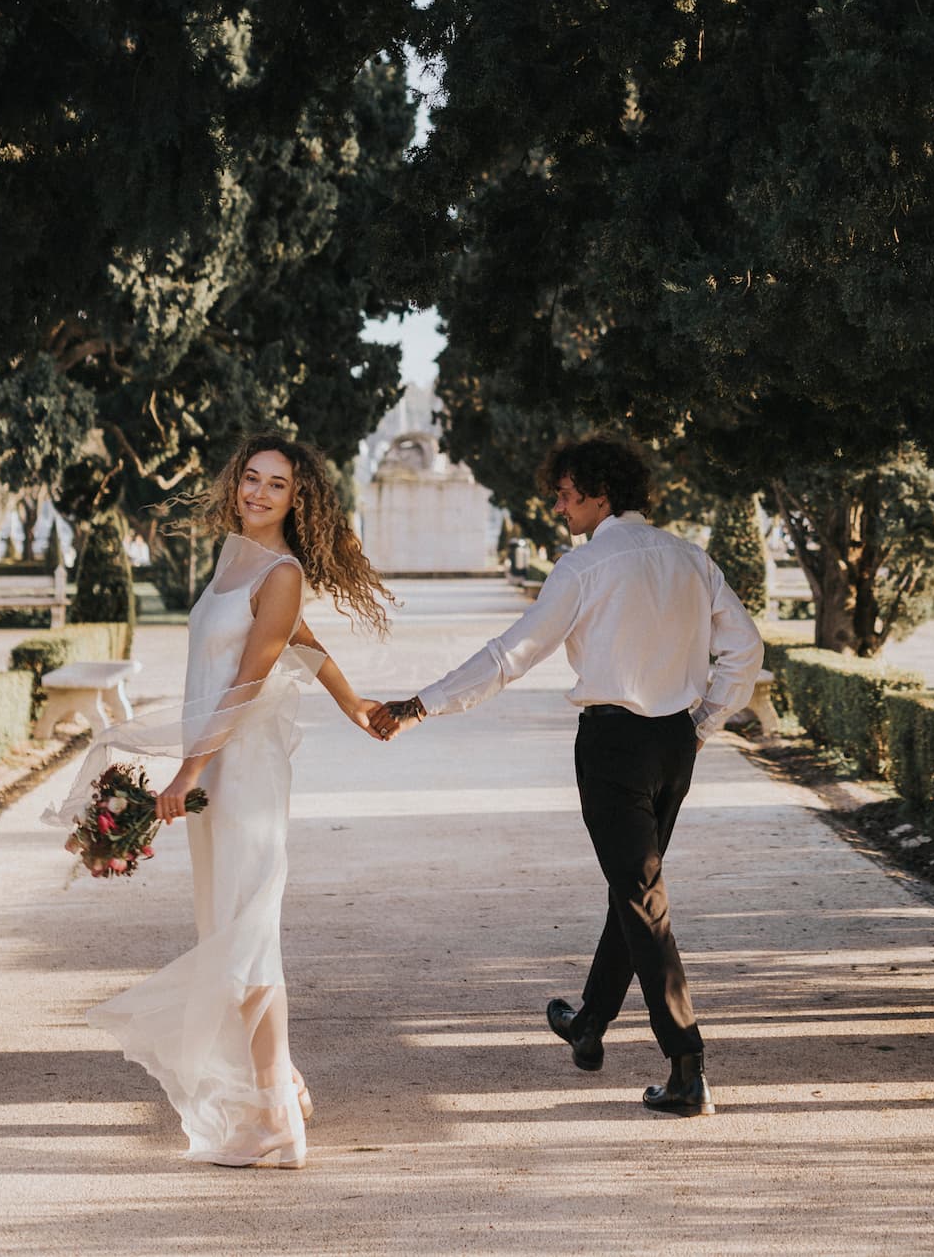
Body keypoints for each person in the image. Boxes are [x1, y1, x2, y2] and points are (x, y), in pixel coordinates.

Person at [371, 436, 763, 1116]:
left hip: (613, 745)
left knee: (643, 897)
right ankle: (590, 1022)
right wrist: (702, 723)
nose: (556, 505)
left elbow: (509, 656)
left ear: (599, 495)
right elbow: (745, 647)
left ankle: (687, 1065)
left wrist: (421, 704)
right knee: (635, 888)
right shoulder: (689, 558)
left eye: (565, 493)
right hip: (675, 742)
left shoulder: (585, 567)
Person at [45, 433, 392, 1167]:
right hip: (215, 771)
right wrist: (355, 706)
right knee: (231, 928)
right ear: (236, 482)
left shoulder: (283, 569)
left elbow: (248, 679)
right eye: (253, 479)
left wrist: (187, 771)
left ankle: (274, 1121)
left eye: (279, 486)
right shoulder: (236, 557)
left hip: (243, 776)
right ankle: (283, 1085)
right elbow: (304, 642)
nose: (260, 493)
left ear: (300, 501)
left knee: (246, 937)